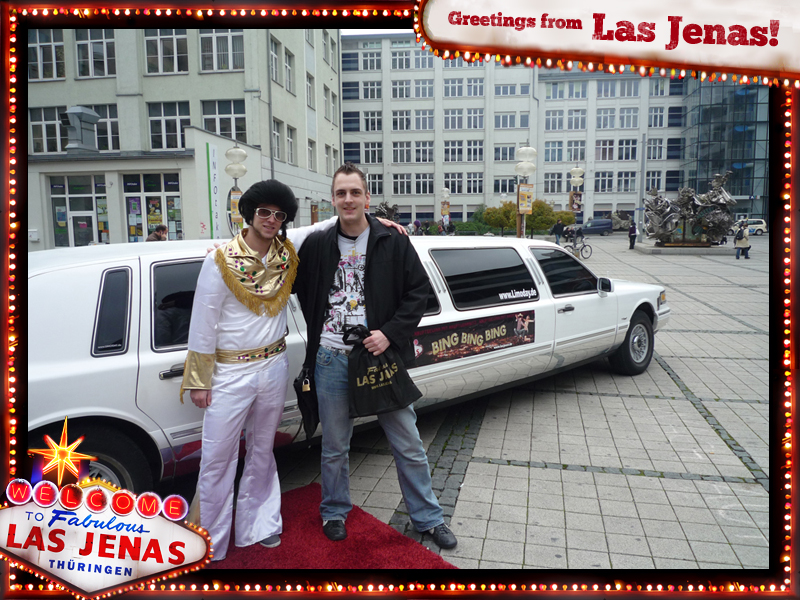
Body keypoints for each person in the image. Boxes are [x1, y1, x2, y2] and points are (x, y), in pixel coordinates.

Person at [293, 163, 458, 550]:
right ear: (333, 199)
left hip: (379, 358)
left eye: (355, 192)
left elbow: (419, 293)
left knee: (408, 442)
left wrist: (390, 333)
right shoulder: (317, 244)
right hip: (331, 358)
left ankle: (428, 517)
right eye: (341, 193)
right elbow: (287, 267)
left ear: (367, 198)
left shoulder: (392, 241)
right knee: (335, 446)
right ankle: (334, 510)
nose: (348, 199)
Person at [180, 180, 345, 560]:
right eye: (264, 212)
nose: (271, 219)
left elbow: (323, 226)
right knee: (217, 457)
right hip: (229, 373)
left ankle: (260, 524)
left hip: (273, 366)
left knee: (262, 451)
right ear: (249, 214)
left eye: (279, 214)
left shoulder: (286, 253)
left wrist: (379, 222)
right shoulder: (220, 260)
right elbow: (202, 324)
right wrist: (199, 382)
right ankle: (209, 538)